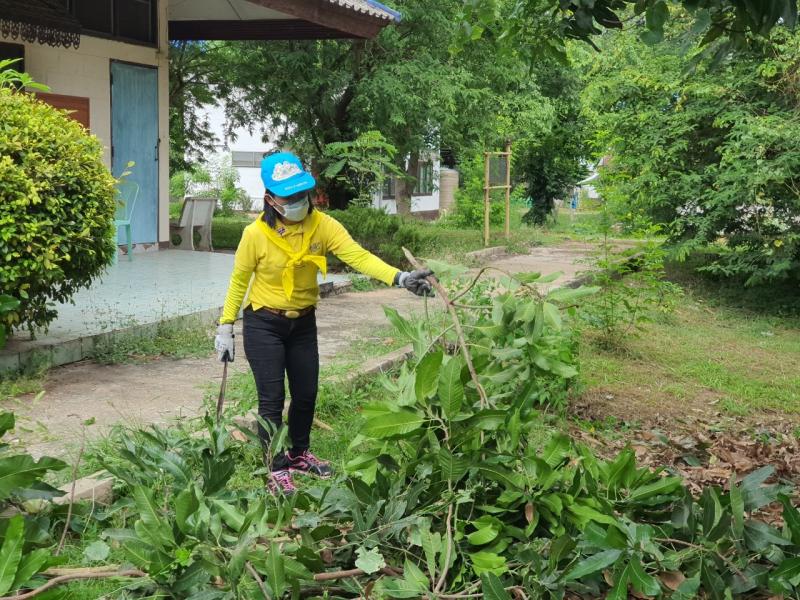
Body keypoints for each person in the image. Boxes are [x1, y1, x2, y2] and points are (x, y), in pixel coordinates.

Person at [214, 151, 433, 494]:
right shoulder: (254, 235)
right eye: (290, 197)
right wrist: (226, 327)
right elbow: (239, 281)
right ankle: (275, 467)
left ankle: (299, 453)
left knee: (306, 393)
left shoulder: (324, 225)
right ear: (270, 199)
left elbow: (358, 256)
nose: (299, 202)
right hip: (264, 323)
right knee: (271, 400)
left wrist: (399, 277)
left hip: (302, 322)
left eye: (303, 194)